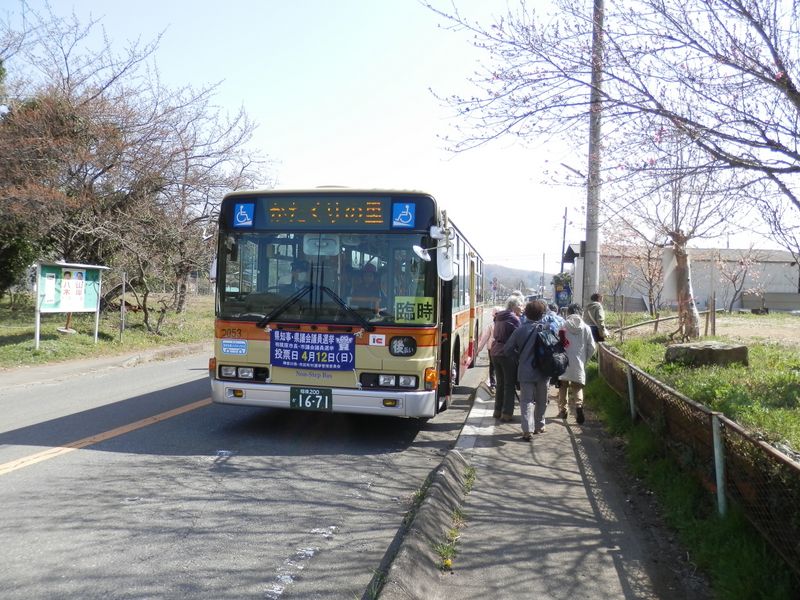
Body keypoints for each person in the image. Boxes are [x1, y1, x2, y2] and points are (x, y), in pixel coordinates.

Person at [503, 299, 550, 439]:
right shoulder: (547, 329)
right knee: (542, 399)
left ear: (527, 314)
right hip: (544, 370)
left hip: (525, 370)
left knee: (526, 400)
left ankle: (527, 430)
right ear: (541, 314)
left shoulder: (520, 330)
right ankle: (540, 425)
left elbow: (507, 350)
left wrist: (519, 356)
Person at [557, 303, 597, 424]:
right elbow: (592, 347)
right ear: (580, 313)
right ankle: (579, 406)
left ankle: (563, 410)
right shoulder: (586, 327)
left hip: (564, 361)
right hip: (579, 361)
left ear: (568, 313)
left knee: (563, 386)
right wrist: (585, 358)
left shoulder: (563, 325)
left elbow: (558, 342)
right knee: (577, 386)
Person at [489, 294, 524, 421]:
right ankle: (507, 413)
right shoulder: (514, 319)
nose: (522, 308)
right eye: (520, 305)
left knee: (500, 383)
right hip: (506, 354)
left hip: (495, 352)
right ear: (514, 306)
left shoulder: (499, 317)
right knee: (509, 384)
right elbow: (519, 338)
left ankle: (497, 411)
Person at [476, 306, 500, 393]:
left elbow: (484, 339)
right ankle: (498, 384)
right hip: (502, 349)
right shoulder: (506, 325)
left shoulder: (491, 325)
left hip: (492, 349)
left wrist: (478, 350)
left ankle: (493, 384)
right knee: (499, 367)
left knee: (492, 366)